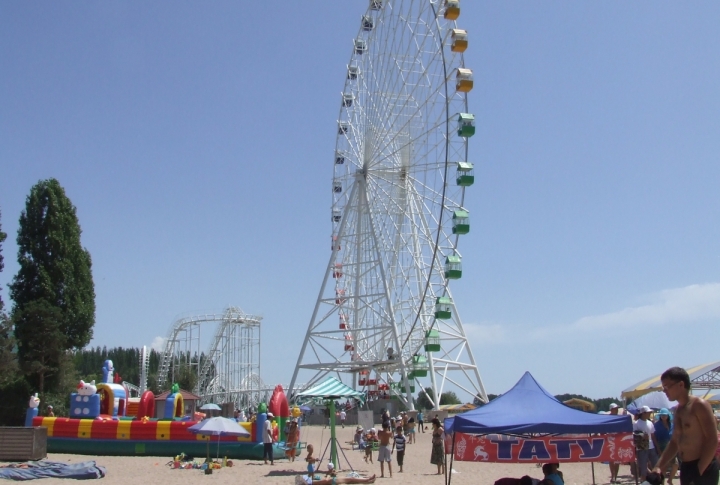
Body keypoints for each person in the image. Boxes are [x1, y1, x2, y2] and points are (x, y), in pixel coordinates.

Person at [654, 366, 719, 485]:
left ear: (681, 385)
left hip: (703, 466)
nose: (664, 391)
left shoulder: (699, 405)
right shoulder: (678, 410)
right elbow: (674, 442)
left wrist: (698, 472)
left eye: (667, 386)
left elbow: (712, 440)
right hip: (687, 466)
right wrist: (658, 466)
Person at [635, 405, 659, 482]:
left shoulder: (650, 423)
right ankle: (643, 480)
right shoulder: (636, 423)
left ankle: (656, 481)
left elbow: (653, 435)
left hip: (651, 446)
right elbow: (633, 435)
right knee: (643, 467)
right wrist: (641, 435)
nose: (649, 414)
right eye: (648, 412)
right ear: (643, 413)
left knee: (656, 465)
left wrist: (656, 446)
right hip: (641, 447)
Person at [654, 408, 678, 485]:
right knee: (663, 467)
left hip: (671, 446)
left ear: (668, 415)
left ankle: (670, 480)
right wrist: (658, 449)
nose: (663, 416)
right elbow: (654, 438)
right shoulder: (656, 425)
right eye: (662, 415)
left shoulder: (672, 425)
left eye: (665, 415)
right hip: (661, 446)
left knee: (676, 464)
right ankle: (662, 482)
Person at [607, 403, 622, 483]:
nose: (617, 410)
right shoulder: (608, 419)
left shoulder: (619, 418)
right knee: (611, 459)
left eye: (617, 408)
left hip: (618, 439)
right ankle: (613, 476)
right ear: (611, 409)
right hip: (610, 440)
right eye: (615, 408)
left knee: (617, 460)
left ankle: (615, 476)